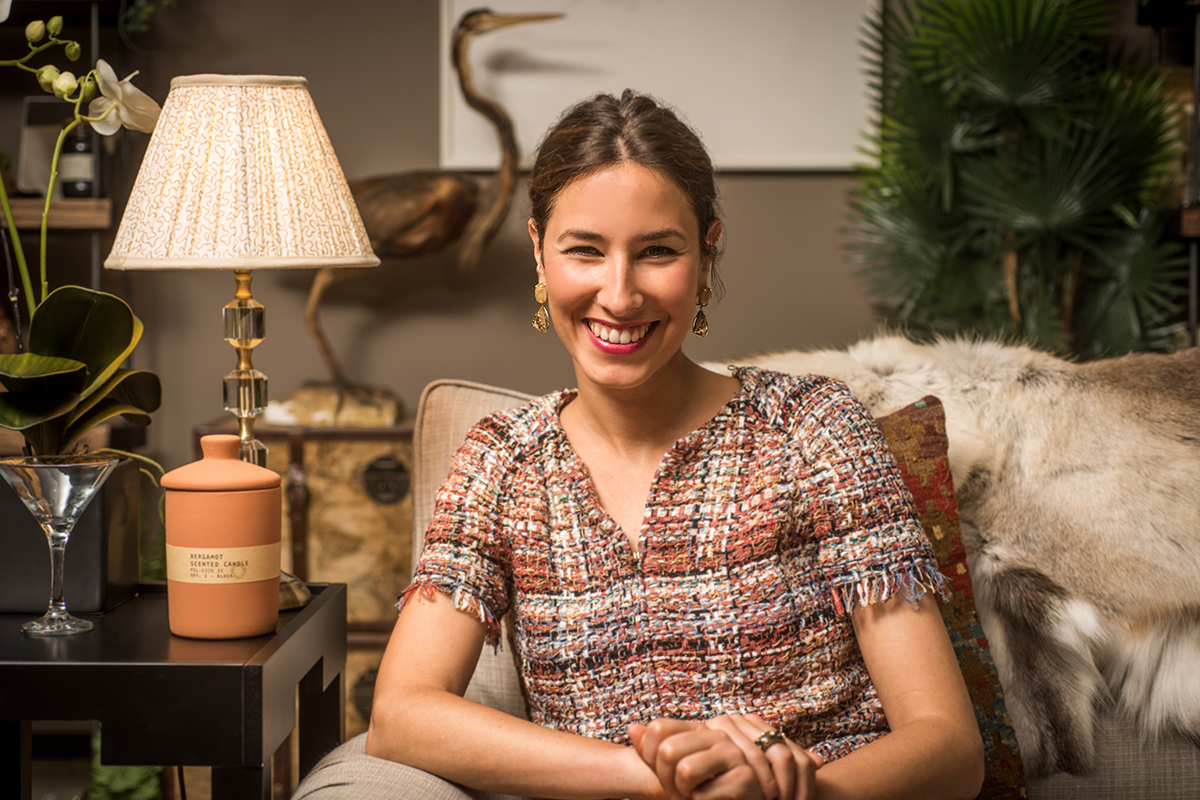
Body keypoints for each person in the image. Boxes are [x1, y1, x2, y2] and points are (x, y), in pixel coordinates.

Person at [295, 90, 984, 800]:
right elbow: (402, 715)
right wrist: (653, 777)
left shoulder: (811, 427)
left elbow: (950, 747)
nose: (620, 296)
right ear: (538, 251)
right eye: (585, 251)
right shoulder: (502, 459)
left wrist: (786, 792)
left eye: (657, 252)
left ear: (708, 252)